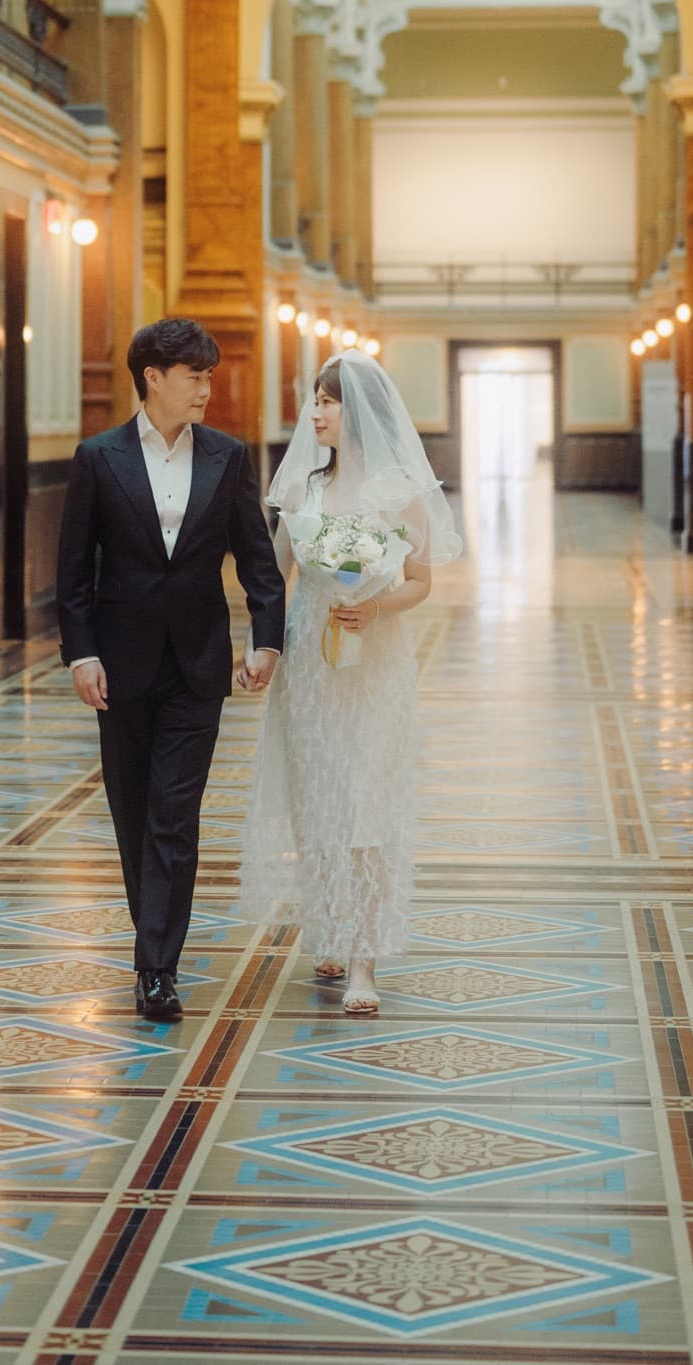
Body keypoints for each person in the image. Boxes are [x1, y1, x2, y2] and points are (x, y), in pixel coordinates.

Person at [56, 316, 287, 1024]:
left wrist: (266, 640)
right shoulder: (98, 457)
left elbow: (258, 559)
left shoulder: (226, 456)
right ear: (152, 376)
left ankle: (157, 968)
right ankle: (152, 936)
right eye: (195, 376)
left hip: (197, 665)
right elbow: (72, 571)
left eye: (211, 376)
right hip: (119, 668)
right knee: (133, 817)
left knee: (173, 816)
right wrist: (81, 652)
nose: (207, 390)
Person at [238, 350, 462, 1015]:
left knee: (368, 801)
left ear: (357, 411)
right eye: (315, 399)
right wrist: (261, 646)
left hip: (375, 663)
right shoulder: (303, 486)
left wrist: (373, 604)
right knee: (317, 800)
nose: (316, 413)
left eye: (328, 402)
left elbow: (420, 580)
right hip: (311, 660)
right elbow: (273, 576)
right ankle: (330, 926)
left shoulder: (398, 489)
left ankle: (364, 958)